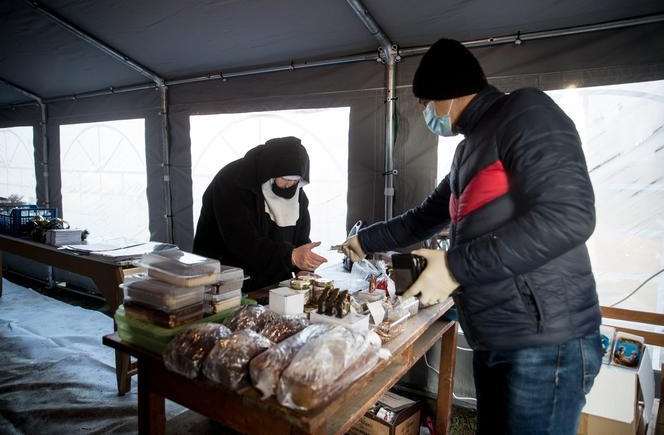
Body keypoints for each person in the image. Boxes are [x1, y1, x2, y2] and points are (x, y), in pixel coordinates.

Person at [342, 39, 602, 434]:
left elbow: (569, 216)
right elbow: (422, 218)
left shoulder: (526, 113)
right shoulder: (470, 149)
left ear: (446, 95)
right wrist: (364, 241)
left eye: (426, 103)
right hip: (495, 333)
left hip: (545, 339)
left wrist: (453, 266)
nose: (427, 113)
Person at [193, 136, 327, 291]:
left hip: (271, 282)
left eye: (295, 181)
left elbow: (300, 237)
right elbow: (242, 242)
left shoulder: (296, 191)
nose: (289, 185)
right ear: (271, 171)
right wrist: (290, 257)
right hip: (225, 282)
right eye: (285, 178)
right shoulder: (233, 182)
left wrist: (302, 269)